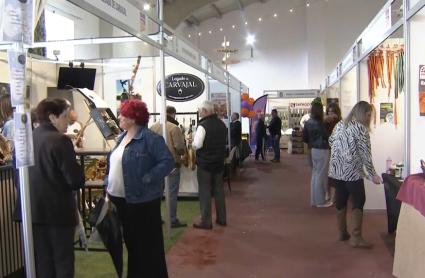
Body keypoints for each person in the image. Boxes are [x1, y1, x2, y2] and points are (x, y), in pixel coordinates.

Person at [106, 99, 174, 277]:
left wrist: (148, 177)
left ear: (134, 118)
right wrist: (108, 184)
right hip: (121, 200)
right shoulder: (122, 137)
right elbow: (113, 163)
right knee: (132, 245)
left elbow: (167, 162)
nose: (119, 117)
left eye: (123, 114)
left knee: (148, 247)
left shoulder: (150, 139)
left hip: (142, 201)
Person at [21, 98, 85, 277]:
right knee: (63, 262)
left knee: (43, 263)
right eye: (64, 116)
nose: (68, 121)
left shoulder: (26, 140)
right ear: (52, 117)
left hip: (31, 212)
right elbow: (75, 180)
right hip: (58, 213)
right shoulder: (59, 140)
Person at [329, 101, 382, 248]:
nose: (369, 118)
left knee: (340, 201)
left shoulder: (340, 125)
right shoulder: (361, 129)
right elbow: (366, 155)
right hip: (352, 173)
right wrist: (372, 175)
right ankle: (356, 238)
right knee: (358, 201)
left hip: (337, 171)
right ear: (363, 114)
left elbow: (331, 141)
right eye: (369, 115)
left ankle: (342, 233)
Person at [191, 100, 227, 229]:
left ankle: (206, 222)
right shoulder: (222, 124)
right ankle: (222, 219)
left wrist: (192, 142)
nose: (199, 113)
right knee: (219, 190)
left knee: (205, 192)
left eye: (200, 111)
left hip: (205, 164)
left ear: (205, 111)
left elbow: (197, 145)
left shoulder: (203, 125)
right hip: (219, 162)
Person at [151, 106, 187, 228]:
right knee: (171, 194)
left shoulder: (153, 127)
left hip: (155, 165)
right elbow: (180, 147)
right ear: (173, 114)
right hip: (171, 165)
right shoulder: (174, 128)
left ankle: (156, 218)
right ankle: (172, 219)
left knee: (157, 193)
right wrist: (182, 153)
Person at [303, 102, 332, 207]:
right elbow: (326, 136)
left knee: (315, 175)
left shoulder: (308, 122)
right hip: (322, 149)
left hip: (312, 150)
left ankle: (314, 200)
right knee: (321, 175)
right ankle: (320, 201)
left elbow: (305, 138)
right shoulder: (320, 123)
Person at [324, 103, 342, 204]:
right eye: (329, 112)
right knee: (327, 175)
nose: (330, 115)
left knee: (335, 175)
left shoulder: (340, 123)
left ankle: (334, 196)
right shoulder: (325, 122)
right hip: (327, 150)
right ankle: (327, 193)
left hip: (337, 151)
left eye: (332, 112)